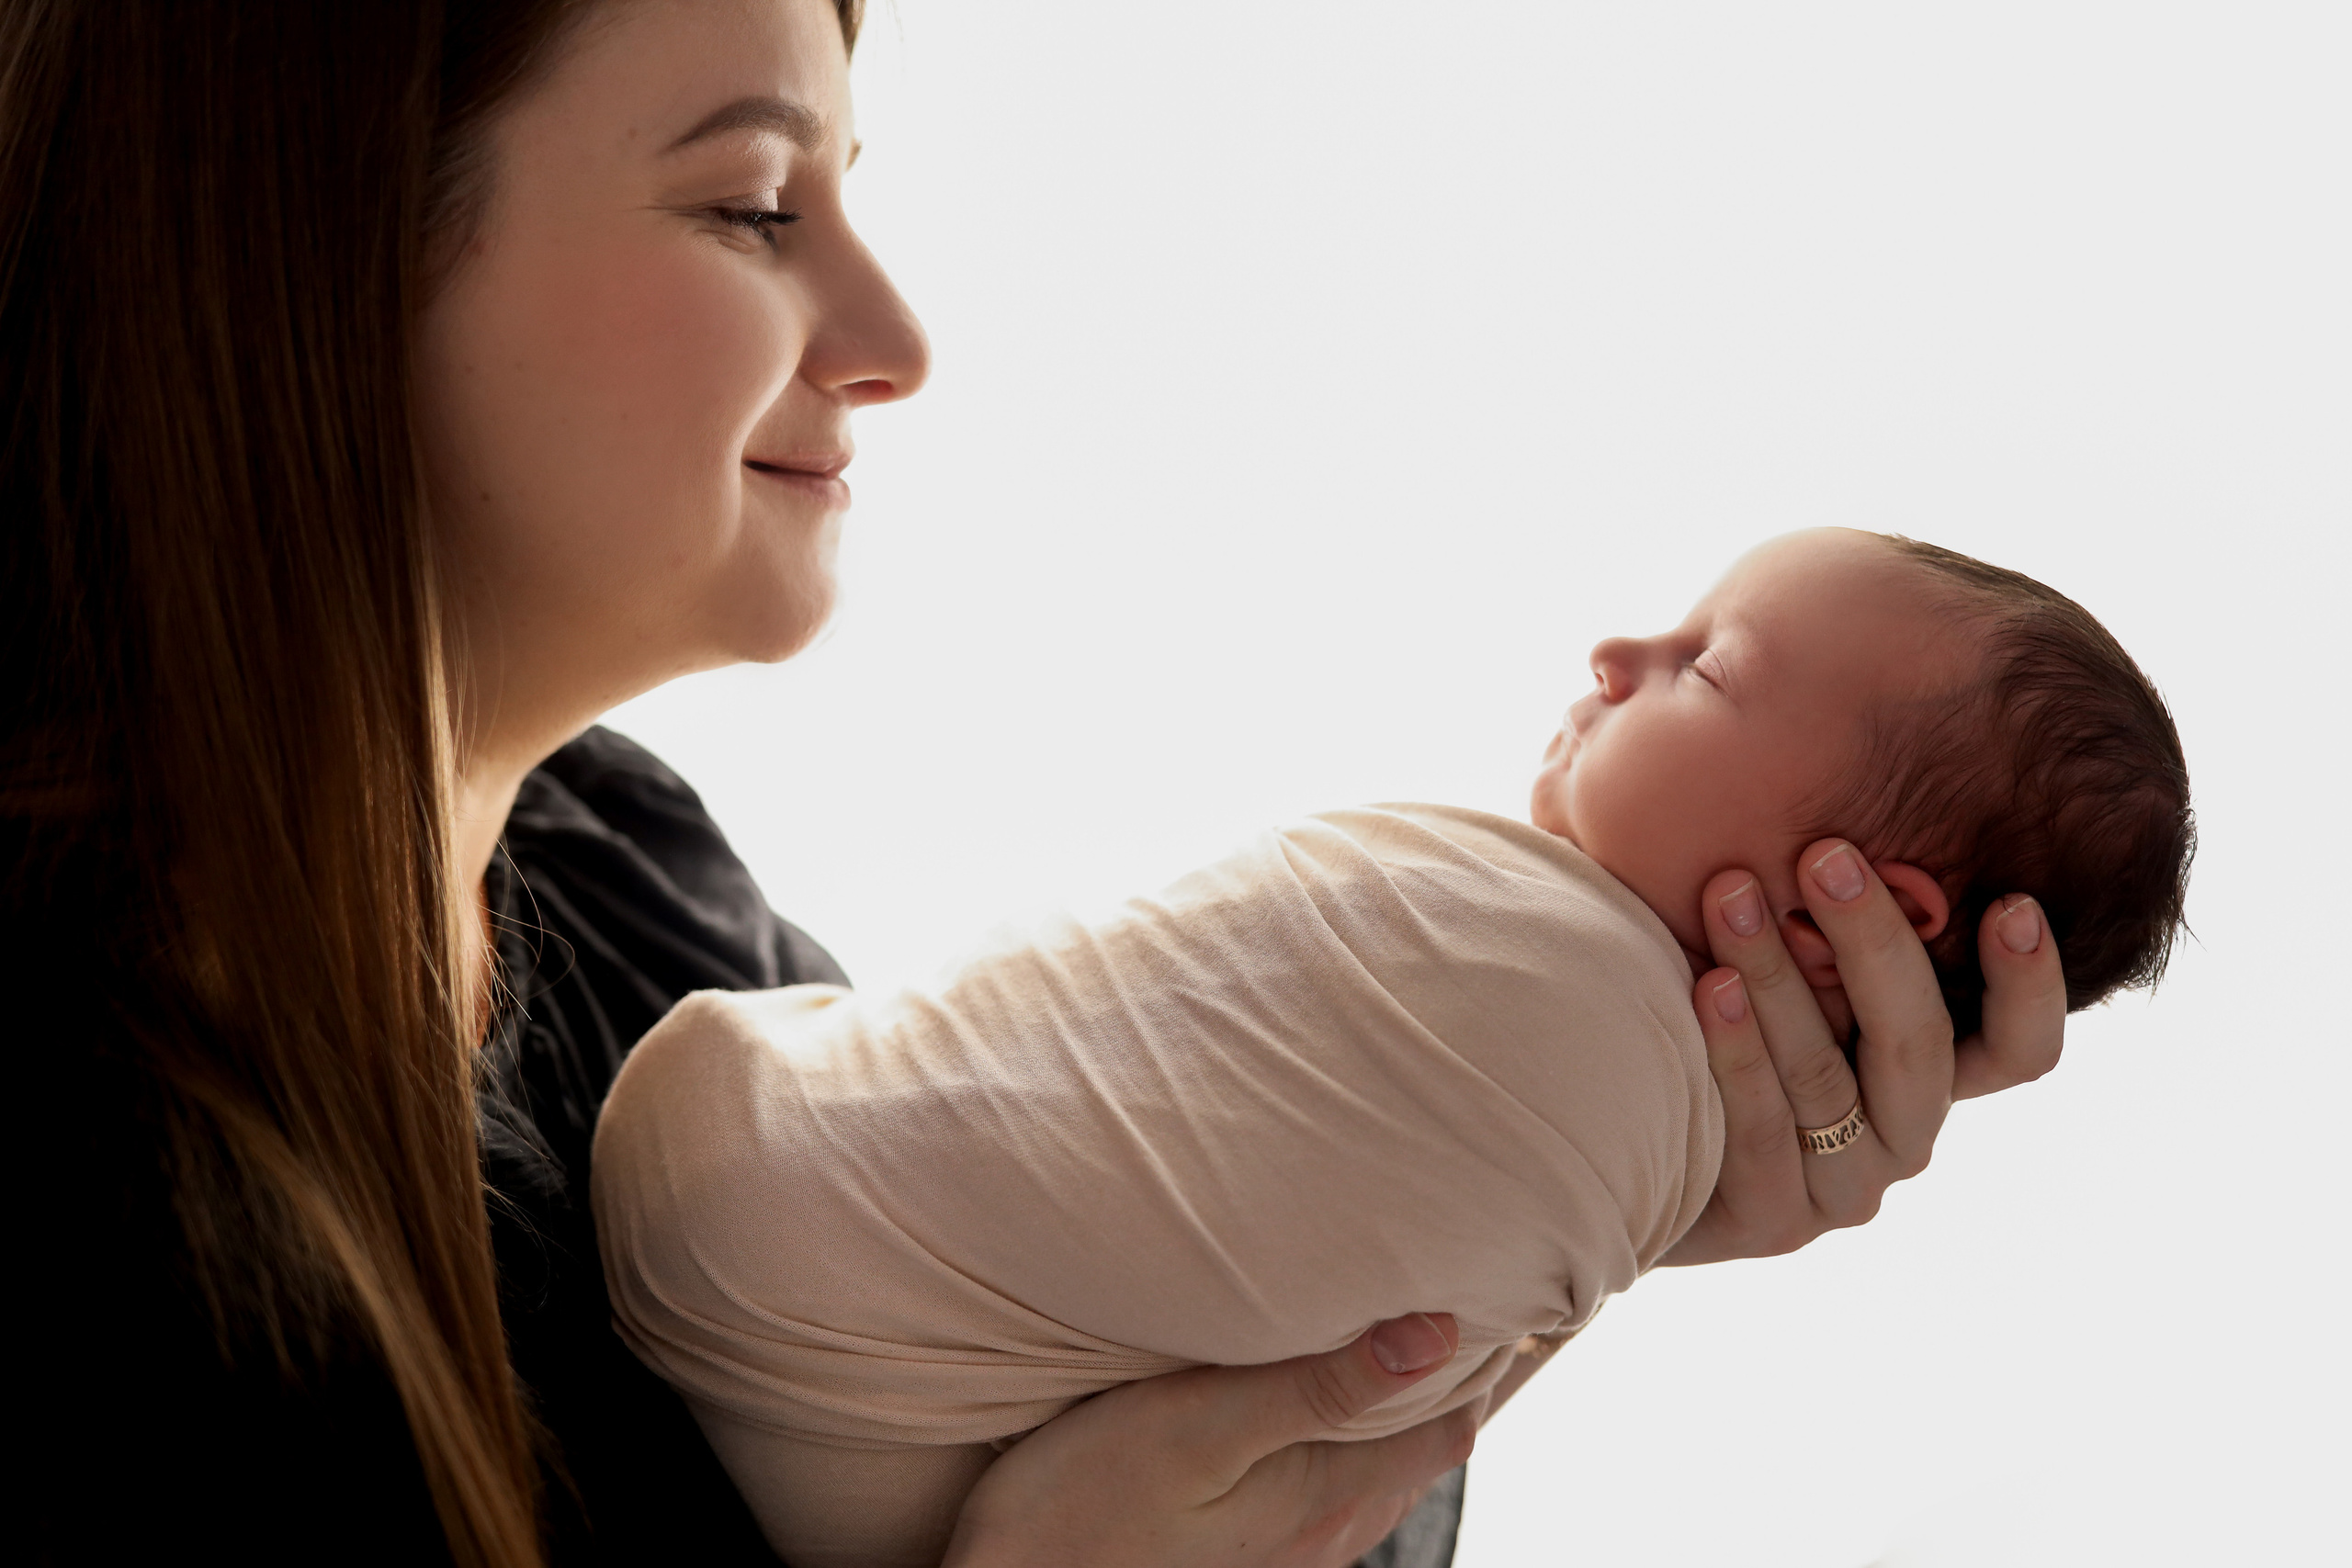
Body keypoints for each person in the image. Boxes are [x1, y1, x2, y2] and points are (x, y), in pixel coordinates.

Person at [1, 3, 2070, 1565]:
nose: (891, 330)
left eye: (849, 193)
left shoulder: (630, 882)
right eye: (749, 202)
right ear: (306, 249)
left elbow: (1136, 1371)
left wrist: (1560, 1203)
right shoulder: (100, 1218)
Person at [590, 528, 2191, 1568]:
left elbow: (1292, 1308)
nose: (1615, 654)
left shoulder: (1579, 1040)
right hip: (795, 1300)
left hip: (762, 1210)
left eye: (1705, 665)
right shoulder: (1535, 980)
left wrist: (1655, 1219)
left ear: (1864, 907)